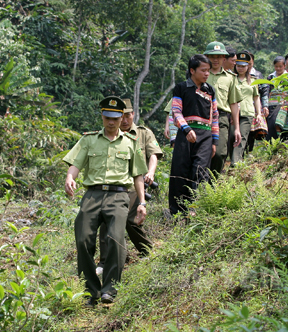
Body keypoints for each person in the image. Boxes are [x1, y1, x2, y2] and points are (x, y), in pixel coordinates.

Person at [63, 96, 148, 306]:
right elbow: (75, 163)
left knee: (115, 240)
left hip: (119, 196)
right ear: (102, 116)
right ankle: (90, 290)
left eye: (115, 118)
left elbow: (138, 175)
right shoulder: (89, 140)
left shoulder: (131, 144)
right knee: (83, 240)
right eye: (107, 117)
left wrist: (142, 202)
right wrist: (69, 177)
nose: (111, 122)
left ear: (122, 118)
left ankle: (110, 289)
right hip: (92, 195)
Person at [97, 98, 163, 275]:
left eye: (128, 116)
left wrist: (151, 172)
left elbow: (154, 154)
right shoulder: (110, 133)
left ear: (133, 114)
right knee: (106, 219)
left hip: (135, 183)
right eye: (122, 116)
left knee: (129, 220)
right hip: (113, 183)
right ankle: (107, 260)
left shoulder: (143, 133)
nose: (125, 120)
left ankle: (147, 251)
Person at [168, 54, 219, 216]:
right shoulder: (181, 88)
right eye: (203, 70)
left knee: (200, 170)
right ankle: (177, 212)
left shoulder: (210, 90)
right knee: (180, 170)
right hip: (185, 134)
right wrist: (185, 129)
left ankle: (195, 208)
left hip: (205, 135)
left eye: (208, 71)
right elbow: (176, 111)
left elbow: (215, 116)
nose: (206, 74)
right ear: (192, 70)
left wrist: (214, 141)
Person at [204, 41, 242, 177]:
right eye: (212, 56)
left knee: (220, 153)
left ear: (223, 58)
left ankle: (212, 183)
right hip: (201, 118)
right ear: (206, 57)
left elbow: (234, 103)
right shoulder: (201, 74)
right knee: (202, 153)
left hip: (221, 118)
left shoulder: (230, 78)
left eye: (219, 56)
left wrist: (237, 128)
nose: (215, 59)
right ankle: (200, 183)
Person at [228, 52, 261, 166]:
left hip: (247, 112)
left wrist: (259, 114)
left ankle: (235, 162)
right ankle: (234, 158)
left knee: (242, 136)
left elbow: (256, 98)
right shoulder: (231, 79)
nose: (241, 68)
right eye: (238, 66)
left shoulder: (253, 80)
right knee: (232, 136)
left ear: (248, 67)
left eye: (243, 66)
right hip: (233, 112)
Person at [266, 56, 288, 141]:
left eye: (280, 66)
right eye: (276, 66)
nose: (278, 68)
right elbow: (267, 91)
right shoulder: (270, 77)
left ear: (284, 66)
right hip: (271, 105)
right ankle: (273, 145)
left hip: (284, 104)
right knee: (271, 125)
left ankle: (281, 143)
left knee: (279, 124)